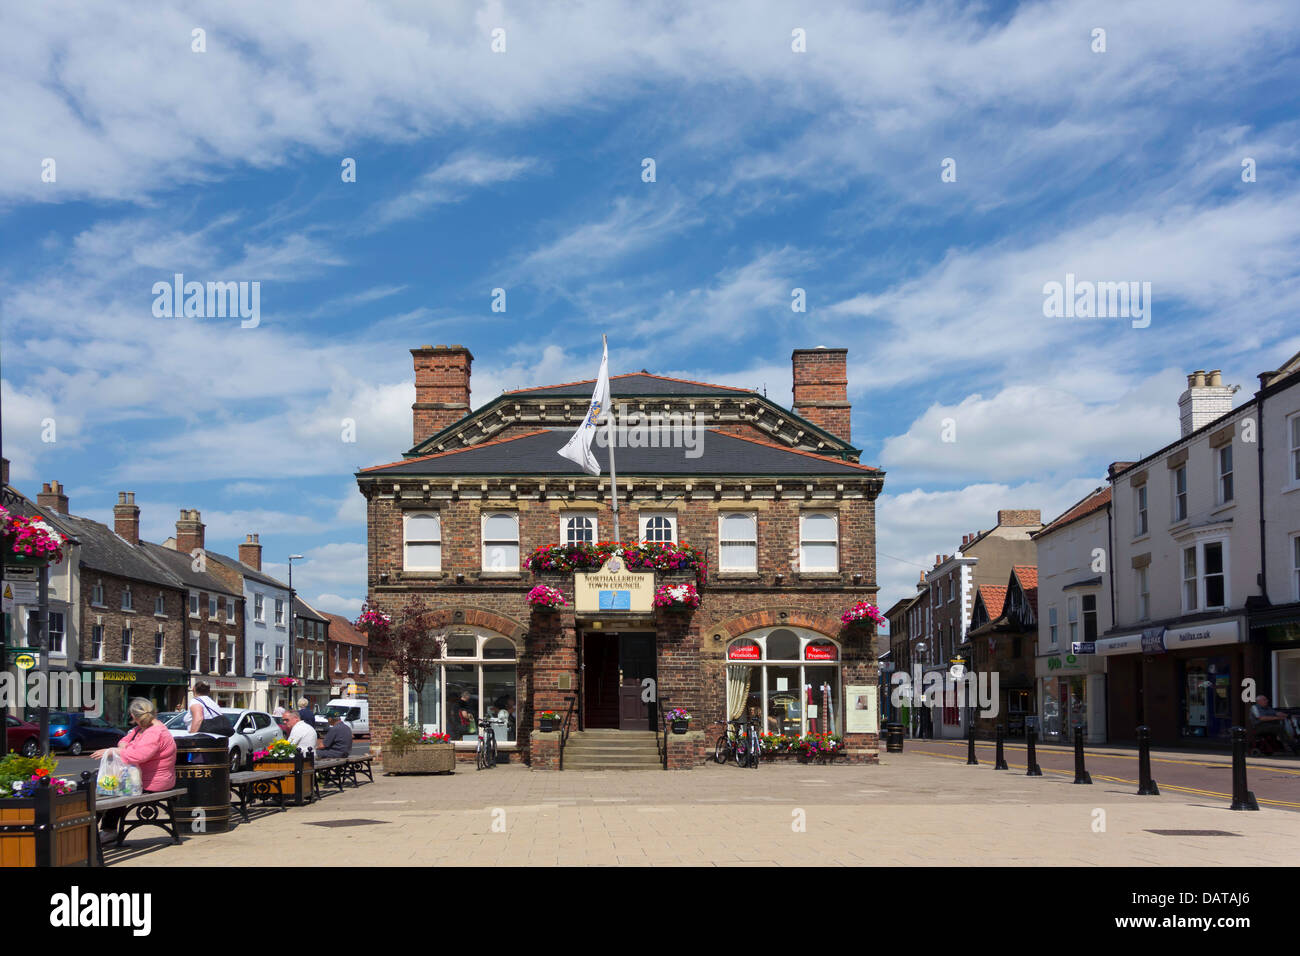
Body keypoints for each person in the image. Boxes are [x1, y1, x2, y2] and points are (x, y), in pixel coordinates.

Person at [94, 698, 178, 846]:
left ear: (133, 716)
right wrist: (123, 747)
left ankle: (100, 831)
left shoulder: (154, 732)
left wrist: (114, 751)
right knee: (107, 787)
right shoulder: (143, 728)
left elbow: (139, 755)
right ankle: (105, 830)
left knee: (106, 790)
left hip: (154, 782)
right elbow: (125, 740)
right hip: (143, 778)